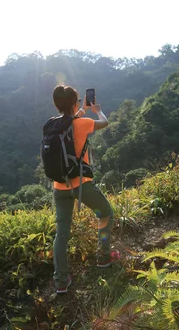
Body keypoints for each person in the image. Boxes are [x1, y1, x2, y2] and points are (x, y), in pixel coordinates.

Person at [51, 85, 118, 294]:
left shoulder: (52, 125)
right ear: (73, 103)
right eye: (78, 101)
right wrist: (96, 109)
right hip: (82, 185)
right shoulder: (84, 123)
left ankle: (61, 280)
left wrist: (81, 110)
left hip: (59, 187)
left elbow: (71, 120)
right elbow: (105, 122)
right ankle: (103, 257)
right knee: (105, 213)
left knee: (61, 233)